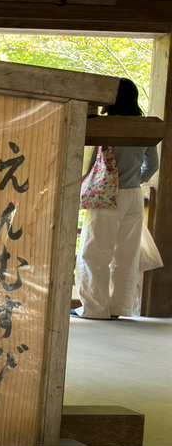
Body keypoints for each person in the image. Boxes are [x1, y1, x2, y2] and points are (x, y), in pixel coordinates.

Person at [73, 78, 160, 319]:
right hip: (133, 195)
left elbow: (89, 163)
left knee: (94, 252)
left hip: (106, 194)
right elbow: (152, 165)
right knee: (126, 255)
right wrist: (135, 180)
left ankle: (94, 308)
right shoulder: (146, 126)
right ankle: (118, 308)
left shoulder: (105, 125)